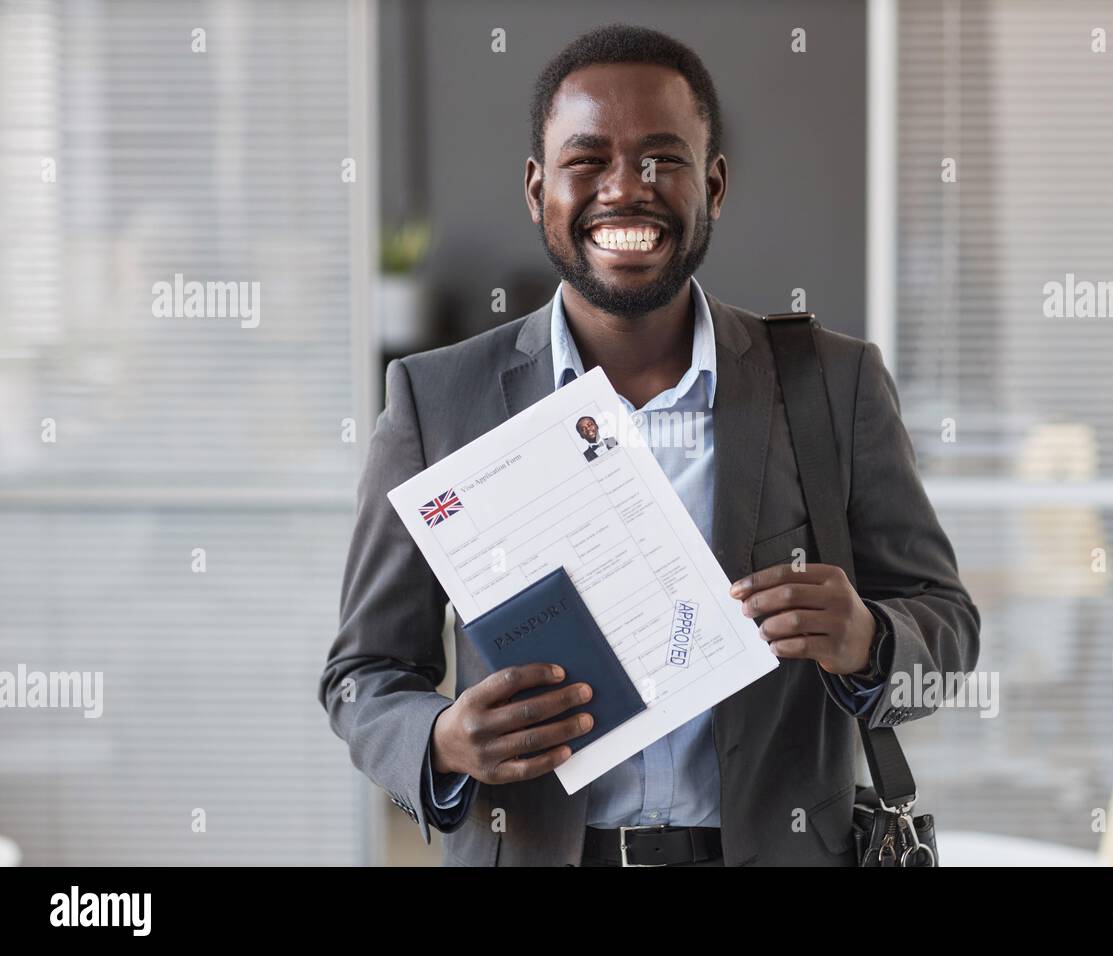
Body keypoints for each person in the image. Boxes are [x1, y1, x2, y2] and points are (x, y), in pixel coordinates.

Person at [319, 24, 979, 867]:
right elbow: (361, 675)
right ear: (537, 189)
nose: (625, 190)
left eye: (663, 160)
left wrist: (869, 641)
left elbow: (948, 628)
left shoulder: (830, 383)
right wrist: (441, 738)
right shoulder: (438, 401)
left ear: (715, 184)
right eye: (586, 160)